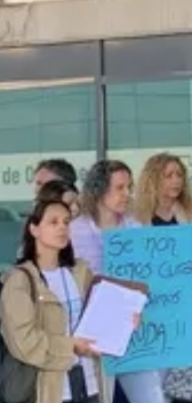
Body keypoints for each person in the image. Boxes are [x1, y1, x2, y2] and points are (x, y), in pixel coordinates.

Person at [70, 160, 165, 403]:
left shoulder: (137, 229)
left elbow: (155, 275)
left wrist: (184, 269)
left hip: (133, 332)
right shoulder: (73, 232)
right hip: (91, 337)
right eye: (120, 188)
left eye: (129, 187)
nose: (127, 194)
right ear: (99, 190)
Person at [1, 199, 103, 403]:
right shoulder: (20, 280)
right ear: (34, 229)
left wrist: (125, 321)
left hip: (90, 383)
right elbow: (23, 341)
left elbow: (100, 318)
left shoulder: (81, 272)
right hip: (50, 390)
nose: (62, 227)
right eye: (53, 222)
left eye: (66, 222)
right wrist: (70, 346)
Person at [132, 153, 192, 403]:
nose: (176, 180)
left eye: (179, 175)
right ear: (153, 179)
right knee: (153, 385)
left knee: (184, 386)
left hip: (188, 311)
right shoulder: (135, 215)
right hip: (150, 312)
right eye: (168, 175)